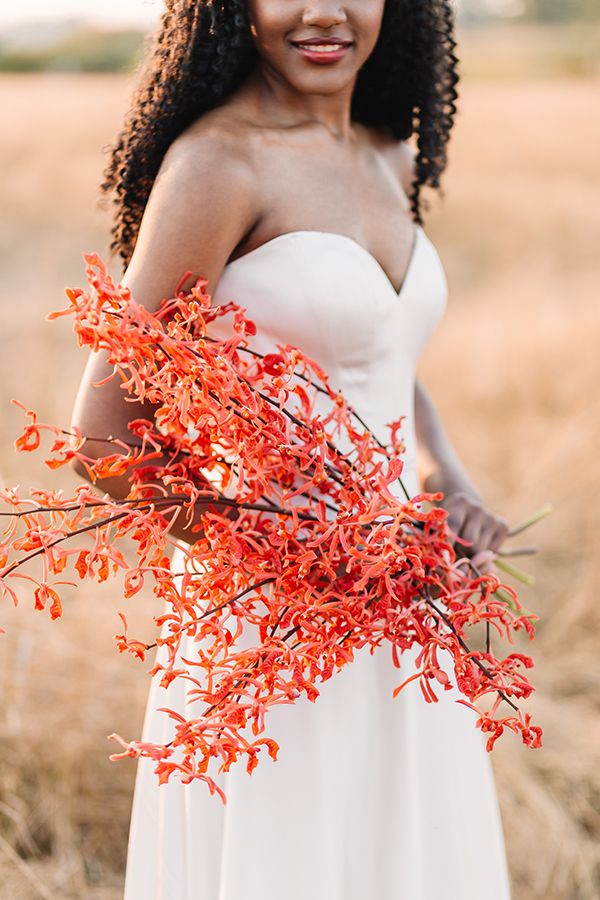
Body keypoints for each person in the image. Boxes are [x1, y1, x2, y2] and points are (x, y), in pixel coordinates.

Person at [72, 1, 513, 897]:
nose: (322, 12)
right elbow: (102, 434)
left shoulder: (389, 151)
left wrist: (445, 483)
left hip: (405, 605)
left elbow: (379, 350)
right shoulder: (215, 166)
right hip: (274, 623)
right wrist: (296, 554)